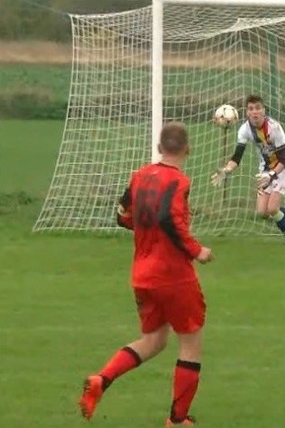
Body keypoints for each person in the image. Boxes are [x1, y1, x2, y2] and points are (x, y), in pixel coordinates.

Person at [78, 121, 213, 426]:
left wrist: (140, 227)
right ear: (188, 149)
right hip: (174, 275)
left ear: (158, 148)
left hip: (142, 274)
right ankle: (178, 420)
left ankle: (102, 379)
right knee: (190, 344)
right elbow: (168, 217)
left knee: (153, 340)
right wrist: (196, 250)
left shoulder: (139, 176)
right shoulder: (179, 181)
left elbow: (122, 215)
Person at [211, 94, 285, 245]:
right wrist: (226, 170)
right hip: (265, 169)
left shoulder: (274, 128)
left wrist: (272, 174)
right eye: (251, 109)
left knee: (272, 209)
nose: (255, 112)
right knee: (262, 212)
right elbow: (236, 158)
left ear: (264, 111)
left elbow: (284, 159)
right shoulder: (244, 130)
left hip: (282, 168)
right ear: (246, 112)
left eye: (258, 108)